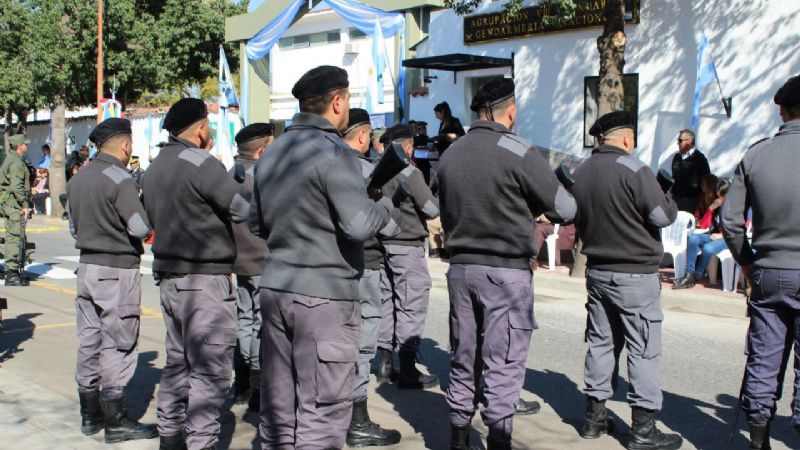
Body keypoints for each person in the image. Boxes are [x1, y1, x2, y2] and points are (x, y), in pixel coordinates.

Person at [249, 65, 394, 449]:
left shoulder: (273, 151)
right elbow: (359, 225)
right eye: (347, 99)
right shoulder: (336, 153)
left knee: (278, 407)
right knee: (322, 412)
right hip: (325, 296)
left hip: (277, 287)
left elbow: (256, 223)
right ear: (337, 101)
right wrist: (384, 208)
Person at [438, 78, 577, 450]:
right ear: (510, 112)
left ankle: (457, 437)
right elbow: (564, 208)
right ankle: (498, 439)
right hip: (505, 272)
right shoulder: (518, 149)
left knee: (464, 355)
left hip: (461, 268)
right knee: (503, 362)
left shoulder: (452, 152)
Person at [142, 98, 250, 450]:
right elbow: (241, 208)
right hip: (204, 281)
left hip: (170, 278)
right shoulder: (202, 163)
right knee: (209, 372)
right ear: (202, 128)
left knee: (178, 363)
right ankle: (200, 443)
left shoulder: (156, 165)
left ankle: (169, 437)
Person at [571, 111, 683, 450]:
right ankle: (643, 430)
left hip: (598, 270)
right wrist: (670, 200)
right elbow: (661, 216)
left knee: (602, 344)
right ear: (625, 138)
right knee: (644, 349)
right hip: (634, 274)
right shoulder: (635, 169)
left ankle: (594, 419)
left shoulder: (582, 171)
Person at [66, 118, 158, 444]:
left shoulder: (78, 180)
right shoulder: (120, 179)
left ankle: (89, 417)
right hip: (116, 270)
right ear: (125, 145)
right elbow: (138, 228)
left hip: (86, 268)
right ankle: (116, 421)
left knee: (89, 340)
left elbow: (74, 229)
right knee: (118, 343)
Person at [721, 74, 800, 450]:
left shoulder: (755, 154)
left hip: (768, 269)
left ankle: (757, 439)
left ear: (782, 111)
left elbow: (730, 220)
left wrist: (747, 261)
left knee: (764, 357)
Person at [342, 108, 402, 447]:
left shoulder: (325, 166)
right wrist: (384, 202)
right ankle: (358, 420)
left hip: (330, 269)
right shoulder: (367, 171)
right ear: (363, 136)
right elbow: (391, 227)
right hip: (365, 264)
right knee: (362, 345)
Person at [375, 123, 441, 390]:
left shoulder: (376, 170)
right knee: (411, 304)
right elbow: (431, 209)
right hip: (407, 244)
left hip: (382, 244)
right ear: (408, 146)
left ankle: (384, 364)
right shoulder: (410, 173)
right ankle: (408, 369)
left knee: (387, 302)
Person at [228, 123, 273, 412]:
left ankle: (242, 382)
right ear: (262, 149)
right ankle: (257, 387)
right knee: (260, 324)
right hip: (261, 258)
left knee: (244, 318)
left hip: (238, 259)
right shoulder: (262, 177)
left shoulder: (227, 174)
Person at [673, 178, 730, 289]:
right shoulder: (717, 205)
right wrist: (711, 209)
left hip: (728, 238)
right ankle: (689, 273)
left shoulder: (734, 207)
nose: (720, 199)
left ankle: (696, 276)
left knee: (708, 249)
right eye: (718, 196)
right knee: (693, 238)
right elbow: (703, 225)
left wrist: (722, 235)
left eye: (722, 196)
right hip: (713, 236)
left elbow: (743, 226)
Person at [0, 134, 32, 286]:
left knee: (16, 236)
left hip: (11, 203)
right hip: (14, 204)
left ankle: (13, 270)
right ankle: (11, 273)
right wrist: (24, 204)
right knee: (14, 236)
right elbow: (16, 186)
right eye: (25, 144)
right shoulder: (16, 162)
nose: (27, 145)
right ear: (20, 146)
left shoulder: (13, 159)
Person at [669, 129, 710, 213]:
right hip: (676, 199)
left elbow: (706, 181)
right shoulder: (676, 157)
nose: (678, 143)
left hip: (691, 201)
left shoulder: (700, 159)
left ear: (689, 141)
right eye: (678, 140)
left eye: (680, 140)